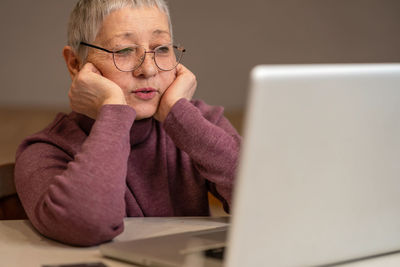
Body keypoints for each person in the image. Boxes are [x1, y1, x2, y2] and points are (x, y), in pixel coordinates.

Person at [14, 0, 241, 246]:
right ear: (75, 64)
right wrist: (114, 110)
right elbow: (87, 225)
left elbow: (269, 200)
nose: (148, 69)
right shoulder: (44, 151)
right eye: (123, 51)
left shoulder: (197, 124)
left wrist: (182, 119)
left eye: (162, 48)